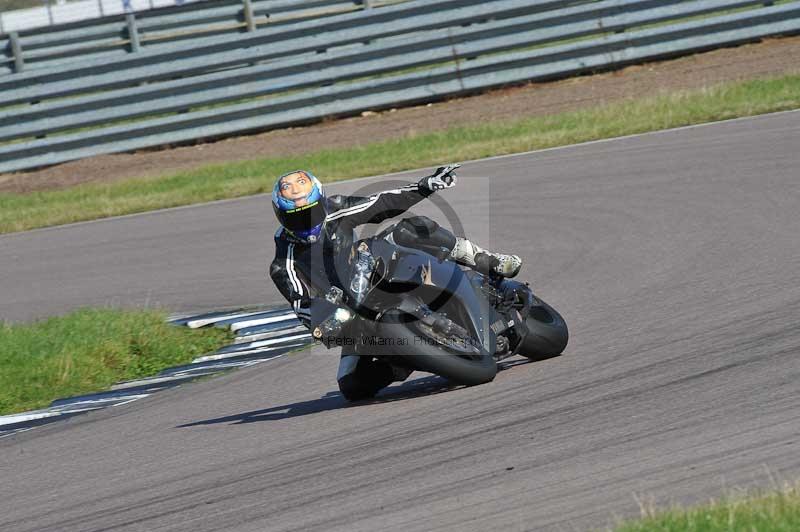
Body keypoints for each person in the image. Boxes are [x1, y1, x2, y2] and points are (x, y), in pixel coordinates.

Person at [269, 164, 522, 400]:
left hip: (373, 266)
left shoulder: (337, 210)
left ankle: (485, 259)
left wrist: (424, 187)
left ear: (321, 202)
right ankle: (406, 359)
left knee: (411, 228)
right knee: (352, 386)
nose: (305, 223)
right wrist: (326, 325)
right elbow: (302, 304)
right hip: (351, 310)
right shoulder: (284, 263)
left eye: (310, 213)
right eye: (295, 218)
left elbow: (381, 203)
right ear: (281, 216)